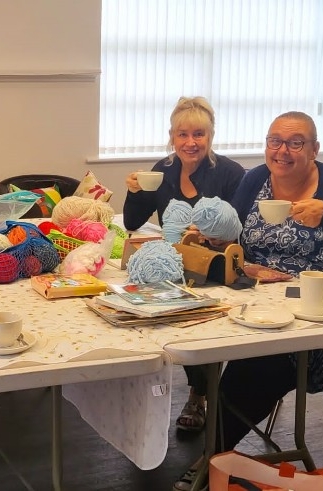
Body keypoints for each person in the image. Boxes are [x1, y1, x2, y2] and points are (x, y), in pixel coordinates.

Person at [174, 111, 323, 490]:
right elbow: (236, 235)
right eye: (275, 141)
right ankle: (212, 458)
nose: (282, 151)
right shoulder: (256, 179)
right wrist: (218, 241)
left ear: (314, 150)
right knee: (250, 374)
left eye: (295, 143)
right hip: (267, 309)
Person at [123, 96, 245, 433]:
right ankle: (145, 392)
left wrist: (215, 235)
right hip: (176, 265)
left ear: (211, 136)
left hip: (218, 269)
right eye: (182, 134)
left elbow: (241, 228)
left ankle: (198, 394)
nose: (190, 143)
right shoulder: (162, 170)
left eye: (199, 134)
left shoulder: (231, 173)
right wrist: (134, 191)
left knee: (199, 327)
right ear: (172, 136)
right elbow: (133, 221)